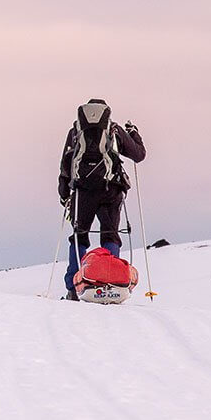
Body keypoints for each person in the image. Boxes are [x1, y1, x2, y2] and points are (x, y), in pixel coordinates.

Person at [57, 98, 146, 300]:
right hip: (111, 190)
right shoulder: (114, 130)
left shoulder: (75, 132)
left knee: (79, 235)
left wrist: (64, 195)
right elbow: (139, 155)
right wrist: (134, 134)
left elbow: (66, 165)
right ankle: (112, 282)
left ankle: (73, 287)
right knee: (110, 235)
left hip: (82, 191)